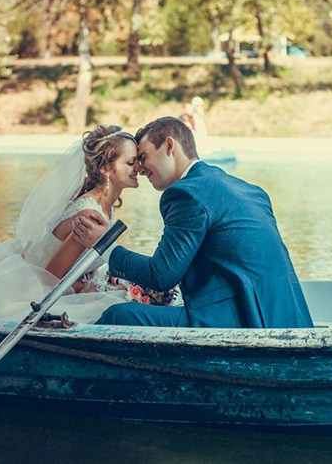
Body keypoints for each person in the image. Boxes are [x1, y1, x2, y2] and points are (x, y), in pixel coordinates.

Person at [73, 116, 314, 328]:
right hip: (290, 317)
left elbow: (161, 276)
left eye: (144, 157)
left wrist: (106, 245)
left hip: (243, 320)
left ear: (169, 145)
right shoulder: (250, 190)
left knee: (119, 315)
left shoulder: (186, 194)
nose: (141, 169)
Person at [0, 125, 140, 323]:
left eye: (138, 160)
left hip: (61, 283)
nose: (138, 167)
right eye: (130, 163)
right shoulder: (88, 216)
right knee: (117, 307)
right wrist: (94, 289)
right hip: (35, 290)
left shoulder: (106, 206)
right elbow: (52, 276)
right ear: (105, 168)